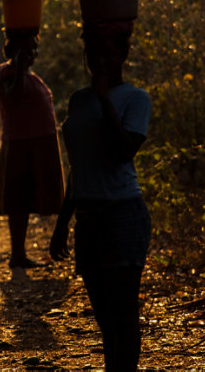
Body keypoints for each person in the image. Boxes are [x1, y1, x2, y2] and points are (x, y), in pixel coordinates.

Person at [49, 21, 152, 371]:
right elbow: (79, 166)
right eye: (94, 53)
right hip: (88, 220)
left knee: (123, 314)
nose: (101, 61)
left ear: (123, 54)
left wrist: (106, 99)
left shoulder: (136, 99)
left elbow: (123, 151)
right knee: (105, 319)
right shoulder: (78, 101)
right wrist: (63, 222)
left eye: (109, 53)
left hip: (123, 215)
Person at [0, 29, 65, 268]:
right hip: (19, 144)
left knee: (33, 198)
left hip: (39, 144)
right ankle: (18, 254)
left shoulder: (31, 76)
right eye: (27, 48)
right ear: (13, 49)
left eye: (34, 48)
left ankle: (24, 253)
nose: (32, 53)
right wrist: (19, 64)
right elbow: (14, 96)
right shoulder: (6, 73)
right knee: (18, 201)